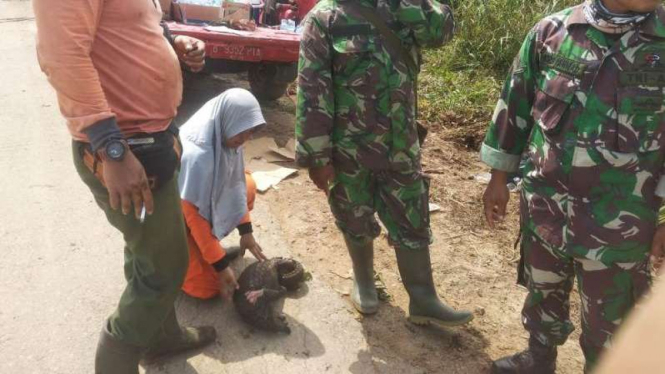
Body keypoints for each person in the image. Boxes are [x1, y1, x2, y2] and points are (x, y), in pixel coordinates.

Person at [480, 0, 665, 372]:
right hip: (547, 209)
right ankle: (539, 357)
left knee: (612, 322)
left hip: (621, 225)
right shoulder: (553, 32)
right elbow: (514, 103)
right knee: (542, 291)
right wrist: (498, 178)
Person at [33, 1, 214, 373]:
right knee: (165, 268)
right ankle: (115, 361)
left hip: (151, 141)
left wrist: (172, 41)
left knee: (148, 250)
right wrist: (113, 150)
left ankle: (161, 337)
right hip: (125, 149)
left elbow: (126, 28)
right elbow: (62, 55)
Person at [295, 0, 473, 327]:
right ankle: (363, 282)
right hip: (349, 149)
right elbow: (312, 91)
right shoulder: (326, 17)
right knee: (353, 214)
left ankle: (423, 298)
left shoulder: (402, 7)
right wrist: (316, 156)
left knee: (413, 216)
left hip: (400, 144)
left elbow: (441, 32)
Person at [178, 88, 268, 301]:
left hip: (195, 206)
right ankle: (165, 260)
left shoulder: (225, 132)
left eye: (250, 132)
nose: (245, 138)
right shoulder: (197, 156)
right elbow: (195, 217)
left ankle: (204, 250)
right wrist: (220, 265)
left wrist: (246, 231)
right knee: (208, 287)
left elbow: (235, 182)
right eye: (242, 132)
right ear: (230, 121)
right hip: (172, 219)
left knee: (248, 185)